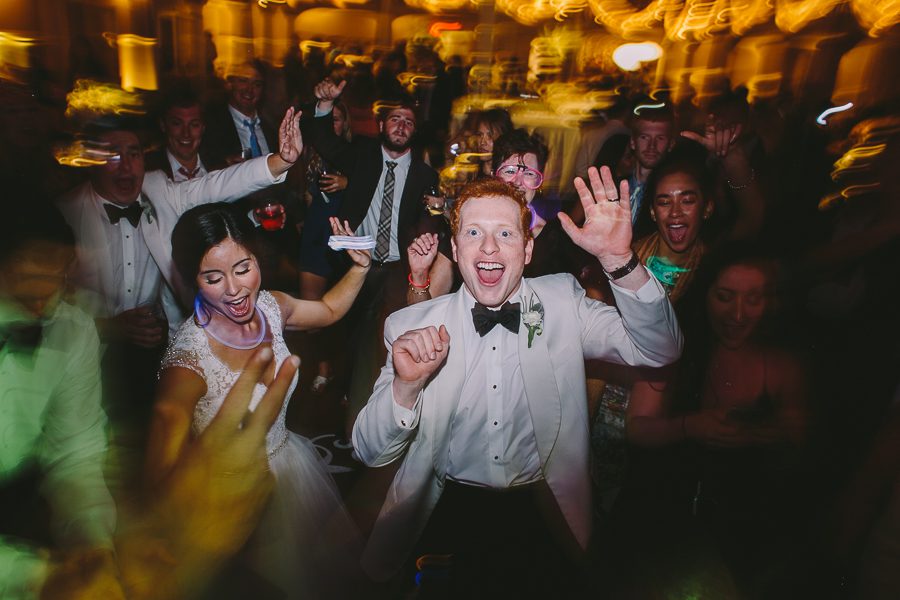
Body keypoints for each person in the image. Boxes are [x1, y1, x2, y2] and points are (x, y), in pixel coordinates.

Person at [351, 174, 682, 593]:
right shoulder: (410, 325)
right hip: (446, 509)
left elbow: (660, 349)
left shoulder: (563, 302)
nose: (489, 248)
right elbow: (368, 451)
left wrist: (620, 262)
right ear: (455, 248)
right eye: (474, 233)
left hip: (541, 509)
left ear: (527, 250)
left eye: (505, 233)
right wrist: (406, 388)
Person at [145, 203, 369, 597]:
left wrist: (360, 268)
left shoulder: (271, 306)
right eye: (213, 277)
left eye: (243, 268)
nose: (234, 289)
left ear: (257, 258)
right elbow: (160, 478)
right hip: (232, 500)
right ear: (193, 278)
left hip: (291, 468)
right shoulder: (187, 363)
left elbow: (329, 309)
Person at [304, 77, 439, 437]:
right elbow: (324, 141)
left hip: (395, 269)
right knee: (345, 332)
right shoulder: (361, 155)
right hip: (355, 262)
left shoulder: (425, 175)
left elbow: (431, 220)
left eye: (408, 121)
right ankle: (341, 389)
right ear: (381, 125)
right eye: (395, 119)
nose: (401, 126)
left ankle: (369, 408)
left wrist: (438, 210)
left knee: (382, 338)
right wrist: (324, 105)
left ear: (415, 131)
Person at [0, 204, 117, 598]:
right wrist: (33, 577)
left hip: (22, 508)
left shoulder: (73, 329)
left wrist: (93, 544)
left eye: (57, 275)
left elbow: (75, 452)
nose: (46, 294)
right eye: (31, 274)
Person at [407, 128, 583, 305]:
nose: (518, 182)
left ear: (539, 182)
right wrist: (419, 276)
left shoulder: (556, 240)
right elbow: (421, 309)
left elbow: (576, 305)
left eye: (529, 173)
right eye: (510, 171)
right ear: (494, 175)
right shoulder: (466, 229)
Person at [299, 100, 352, 392]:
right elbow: (302, 194)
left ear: (346, 123)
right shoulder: (308, 154)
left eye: (337, 119)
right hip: (315, 235)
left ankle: (345, 375)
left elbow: (374, 189)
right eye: (327, 118)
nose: (332, 124)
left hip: (344, 237)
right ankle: (322, 367)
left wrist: (348, 182)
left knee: (342, 311)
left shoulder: (356, 155)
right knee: (311, 310)